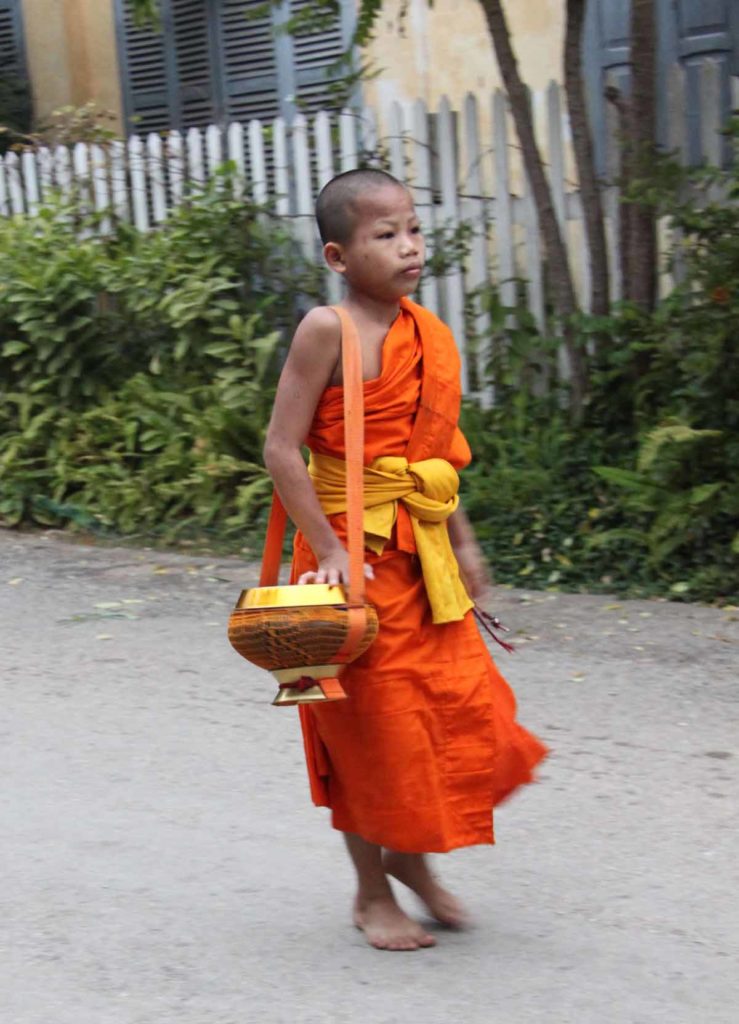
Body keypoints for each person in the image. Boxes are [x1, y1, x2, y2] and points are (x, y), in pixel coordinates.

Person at [263, 168, 547, 952]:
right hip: (344, 565)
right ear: (337, 255)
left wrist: (464, 542)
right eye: (383, 235)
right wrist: (326, 549)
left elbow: (434, 463)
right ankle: (368, 892)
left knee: (460, 719)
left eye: (412, 229)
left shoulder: (430, 334)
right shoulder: (328, 328)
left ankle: (412, 864)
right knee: (367, 734)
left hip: (422, 564)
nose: (408, 246)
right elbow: (281, 451)